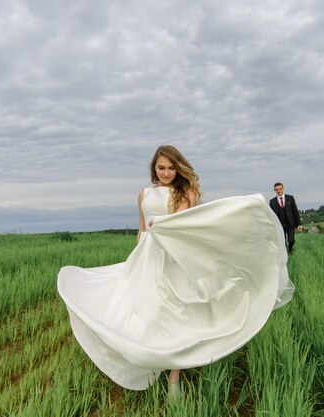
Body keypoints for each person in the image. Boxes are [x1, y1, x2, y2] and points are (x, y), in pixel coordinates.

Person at [57, 145, 295, 397]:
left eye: (172, 168)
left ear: (178, 168)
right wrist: (138, 253)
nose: (167, 172)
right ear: (153, 168)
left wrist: (164, 226)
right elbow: (141, 228)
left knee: (176, 313)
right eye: (161, 167)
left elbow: (187, 227)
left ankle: (174, 376)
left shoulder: (186, 193)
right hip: (146, 258)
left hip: (174, 257)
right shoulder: (144, 194)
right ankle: (149, 359)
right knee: (147, 313)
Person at [269, 182, 302, 254]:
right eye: (277, 189)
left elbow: (295, 211)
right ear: (275, 190)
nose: (279, 191)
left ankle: (290, 248)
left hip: (290, 224)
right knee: (282, 242)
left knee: (291, 240)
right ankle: (286, 253)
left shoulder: (290, 198)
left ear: (283, 188)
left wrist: (299, 224)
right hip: (279, 225)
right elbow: (271, 215)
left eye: (280, 189)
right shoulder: (272, 201)